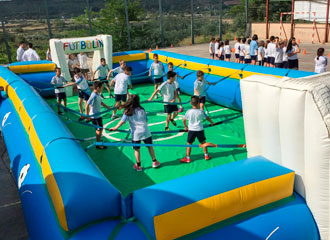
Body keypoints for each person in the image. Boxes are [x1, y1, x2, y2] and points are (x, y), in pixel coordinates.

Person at [110, 95, 160, 172]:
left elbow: (122, 121)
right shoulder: (142, 109)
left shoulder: (127, 110)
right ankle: (154, 162)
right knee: (150, 147)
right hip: (146, 130)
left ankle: (138, 166)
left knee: (137, 149)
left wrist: (115, 127)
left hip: (136, 133)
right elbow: (146, 120)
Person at [180, 96, 215, 163]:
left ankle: (187, 158)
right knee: (203, 143)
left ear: (190, 103)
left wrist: (186, 126)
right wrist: (212, 122)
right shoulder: (201, 111)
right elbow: (207, 117)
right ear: (198, 103)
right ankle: (206, 155)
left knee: (189, 144)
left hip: (191, 130)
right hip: (200, 130)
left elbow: (184, 120)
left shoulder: (188, 111)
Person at [86, 81, 112, 149]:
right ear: (98, 88)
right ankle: (98, 144)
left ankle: (99, 140)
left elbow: (100, 102)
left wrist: (108, 107)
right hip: (94, 116)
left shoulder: (98, 94)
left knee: (100, 128)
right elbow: (87, 105)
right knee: (98, 129)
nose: (102, 89)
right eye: (102, 88)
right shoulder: (93, 95)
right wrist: (87, 116)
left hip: (98, 115)